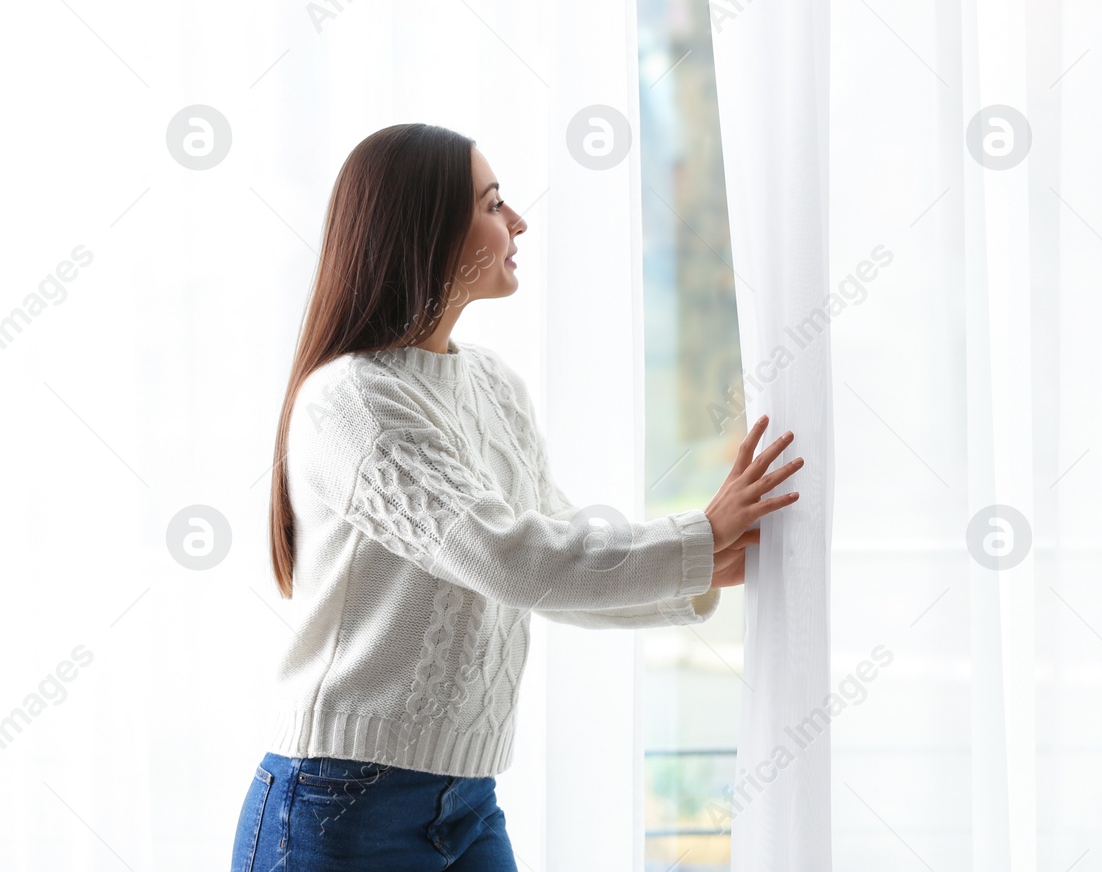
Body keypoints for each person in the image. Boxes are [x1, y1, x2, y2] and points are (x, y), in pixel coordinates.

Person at [231, 123, 800, 871]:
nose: (519, 221)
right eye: (493, 203)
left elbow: (547, 551)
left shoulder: (492, 384)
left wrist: (695, 568)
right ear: (423, 229)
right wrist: (693, 539)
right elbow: (509, 557)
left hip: (466, 800)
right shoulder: (353, 401)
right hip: (341, 803)